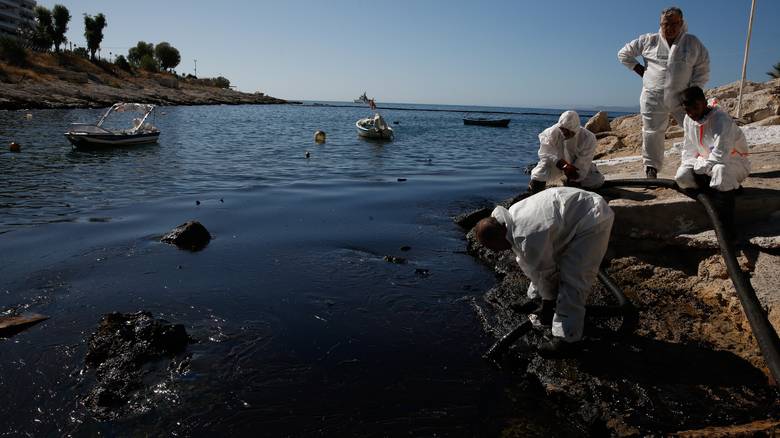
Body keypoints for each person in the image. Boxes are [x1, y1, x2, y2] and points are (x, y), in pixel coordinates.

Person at [474, 187, 614, 355]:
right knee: (537, 261)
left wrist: (548, 305)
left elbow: (547, 273)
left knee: (574, 277)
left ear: (498, 236)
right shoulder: (511, 220)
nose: (495, 252)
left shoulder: (526, 235)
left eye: (493, 247)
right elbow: (530, 263)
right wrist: (544, 298)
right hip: (572, 213)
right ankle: (537, 298)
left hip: (591, 219)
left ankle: (567, 338)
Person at [618, 6, 710, 179]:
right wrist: (640, 70)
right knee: (652, 132)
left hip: (682, 98)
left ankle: (701, 163)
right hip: (653, 97)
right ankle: (651, 168)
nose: (669, 28)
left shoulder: (692, 43)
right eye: (665, 24)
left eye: (674, 24)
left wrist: (694, 90)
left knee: (695, 128)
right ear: (660, 24)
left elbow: (703, 67)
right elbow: (623, 54)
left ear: (681, 23)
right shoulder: (648, 40)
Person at [674, 86, 750, 242]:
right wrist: (695, 165)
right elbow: (688, 152)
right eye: (687, 110)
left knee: (720, 172)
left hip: (733, 163)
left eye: (695, 108)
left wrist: (700, 167)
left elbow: (720, 155)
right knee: (682, 177)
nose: (692, 113)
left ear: (703, 102)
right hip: (704, 164)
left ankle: (726, 230)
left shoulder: (721, 120)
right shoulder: (689, 120)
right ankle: (720, 192)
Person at [527, 110, 604, 193]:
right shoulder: (551, 133)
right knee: (541, 170)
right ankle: (534, 189)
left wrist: (575, 175)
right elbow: (545, 154)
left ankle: (571, 184)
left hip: (575, 167)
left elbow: (584, 161)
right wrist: (562, 164)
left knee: (596, 180)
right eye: (562, 129)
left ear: (574, 128)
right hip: (556, 165)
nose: (564, 132)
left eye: (567, 130)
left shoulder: (588, 138)